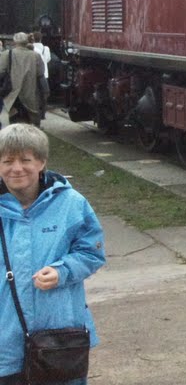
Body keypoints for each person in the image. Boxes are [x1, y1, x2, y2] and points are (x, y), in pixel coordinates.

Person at [0, 123, 106, 385]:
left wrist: (62, 271)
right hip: (5, 337)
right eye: (7, 160)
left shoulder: (71, 204)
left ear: (42, 162)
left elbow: (91, 252)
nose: (17, 168)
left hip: (59, 338)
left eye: (26, 159)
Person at [0, 33, 48, 127]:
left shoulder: (7, 54)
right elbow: (41, 75)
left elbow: (0, 71)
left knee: (15, 123)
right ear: (27, 41)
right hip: (31, 95)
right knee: (31, 124)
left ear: (14, 42)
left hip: (13, 96)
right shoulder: (35, 56)